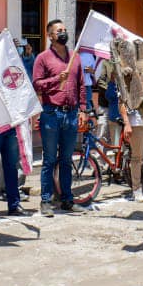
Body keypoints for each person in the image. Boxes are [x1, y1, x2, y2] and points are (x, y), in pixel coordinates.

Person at [32, 19, 89, 217]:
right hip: (51, 114)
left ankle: (67, 199)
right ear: (50, 35)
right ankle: (46, 200)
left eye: (65, 30)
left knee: (66, 159)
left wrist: (83, 110)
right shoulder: (43, 58)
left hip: (71, 114)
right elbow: (36, 84)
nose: (63, 33)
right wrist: (57, 79)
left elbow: (82, 85)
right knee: (49, 159)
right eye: (58, 31)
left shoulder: (76, 58)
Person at [112, 39, 143, 201]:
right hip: (136, 121)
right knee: (136, 157)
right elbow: (122, 102)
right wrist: (127, 123)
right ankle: (136, 188)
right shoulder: (126, 80)